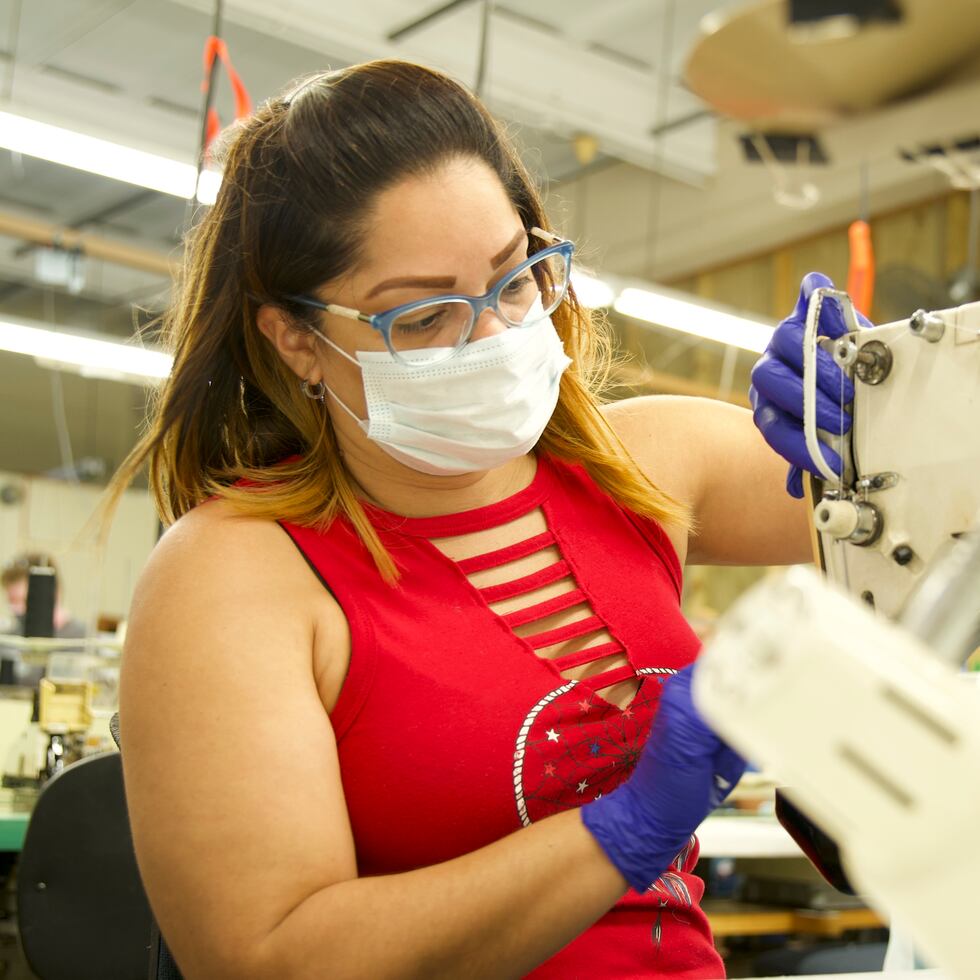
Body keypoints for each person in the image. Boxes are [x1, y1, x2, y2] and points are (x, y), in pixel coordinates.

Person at [111, 60, 845, 978]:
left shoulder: (641, 468)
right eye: (421, 318)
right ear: (297, 338)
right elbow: (274, 959)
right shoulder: (234, 578)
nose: (493, 337)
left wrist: (900, 411)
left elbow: (933, 520)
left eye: (513, 280)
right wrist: (618, 832)